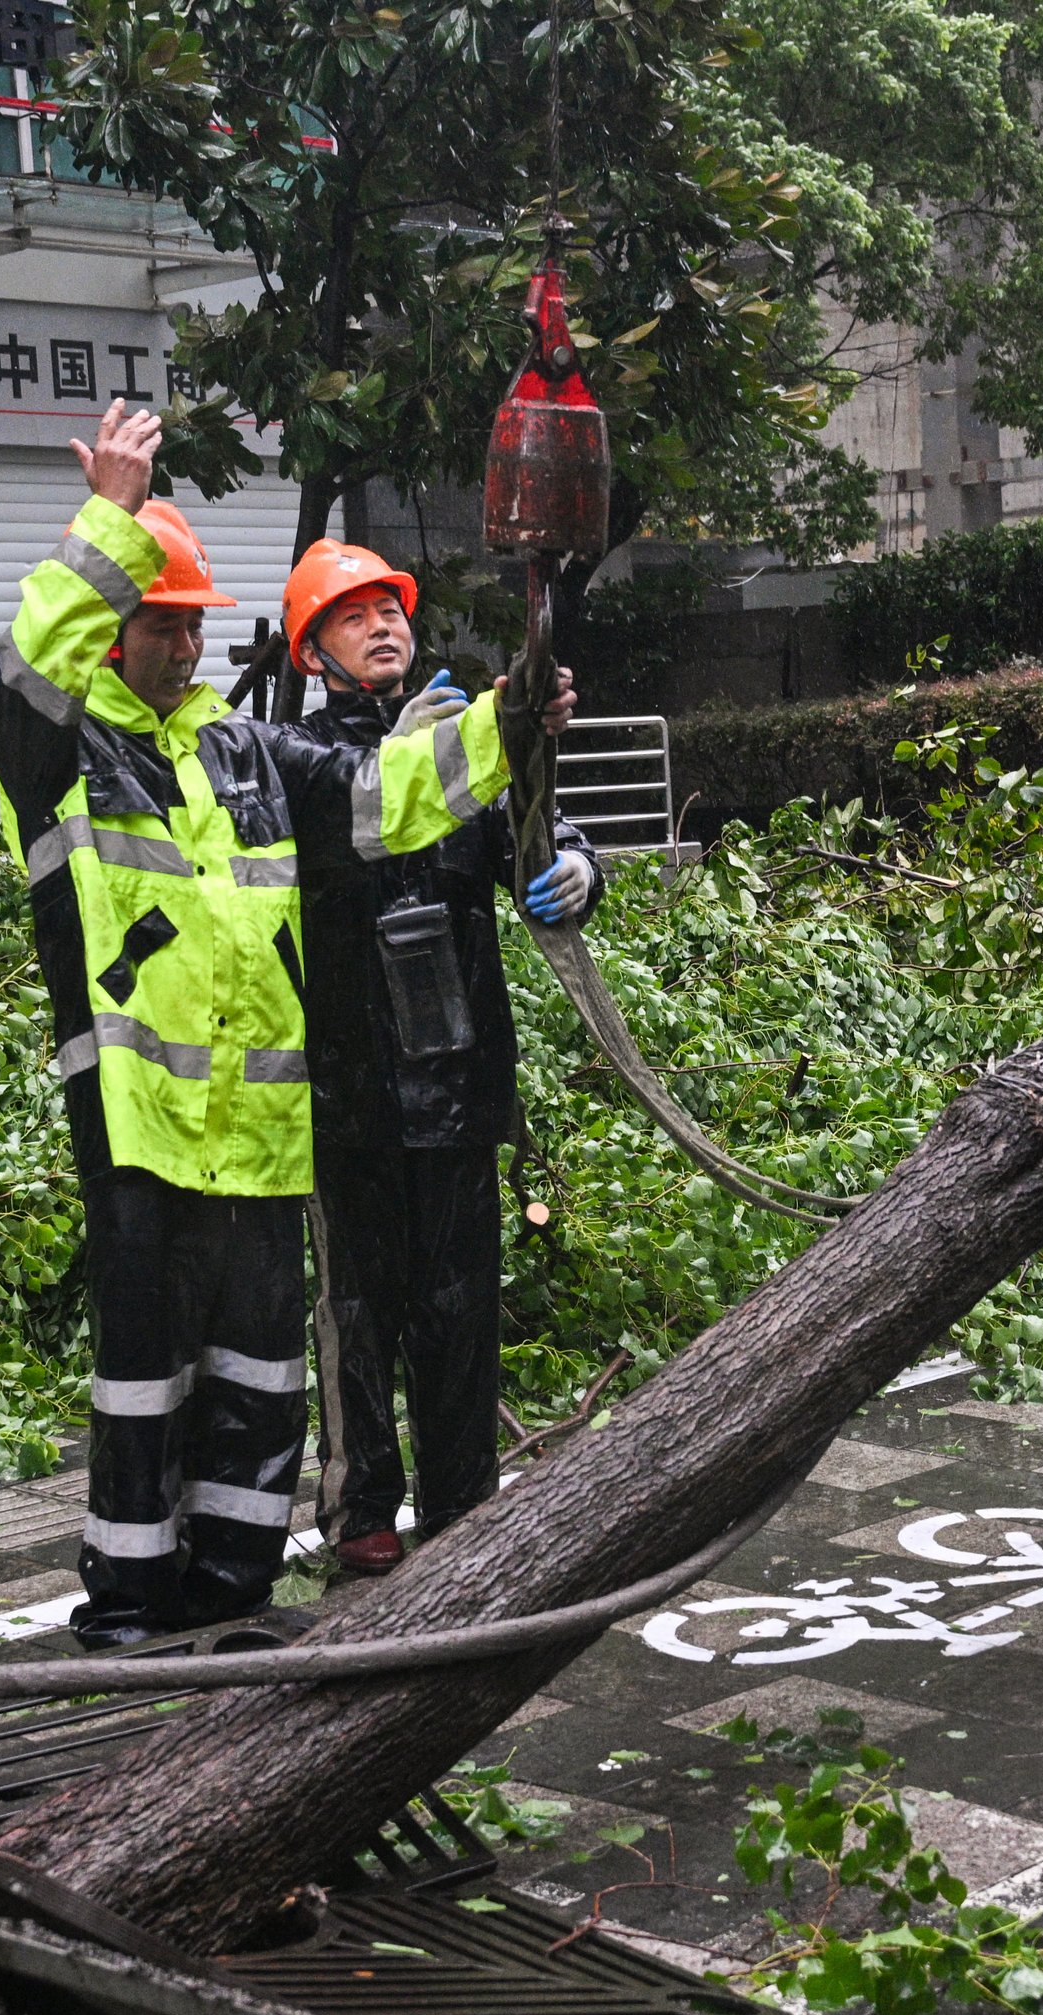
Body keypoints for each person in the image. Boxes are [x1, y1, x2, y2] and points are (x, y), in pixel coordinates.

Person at [0, 407, 571, 1647]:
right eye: (163, 615)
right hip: (143, 1137)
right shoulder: (61, 756)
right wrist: (111, 522)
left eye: (196, 615)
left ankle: (237, 1605)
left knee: (261, 1392)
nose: (187, 635)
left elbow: (389, 796)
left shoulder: (252, 752)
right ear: (116, 624)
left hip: (259, 1143)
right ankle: (132, 1621)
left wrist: (509, 723)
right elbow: (23, 670)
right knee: (147, 1396)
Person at [282, 537, 604, 1577]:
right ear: (310, 653)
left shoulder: (472, 749)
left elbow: (547, 829)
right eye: (352, 615)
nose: (383, 626)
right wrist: (478, 735)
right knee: (359, 1312)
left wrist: (573, 869)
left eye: (391, 610)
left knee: (460, 1307)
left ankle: (464, 1507)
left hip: (458, 1085)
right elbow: (373, 792)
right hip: (350, 1093)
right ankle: (365, 1510)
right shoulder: (293, 766)